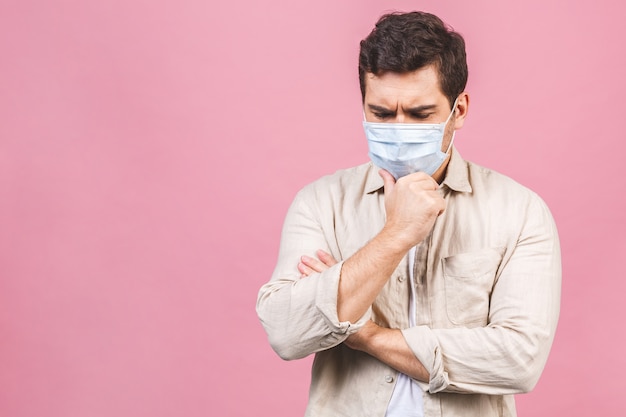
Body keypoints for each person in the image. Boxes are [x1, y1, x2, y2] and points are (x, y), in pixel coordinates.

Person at [256, 11, 561, 417]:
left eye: (420, 115)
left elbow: (519, 360)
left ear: (460, 110)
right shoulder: (320, 203)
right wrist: (396, 234)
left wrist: (365, 334)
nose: (399, 128)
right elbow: (286, 332)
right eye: (381, 114)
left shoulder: (520, 211)